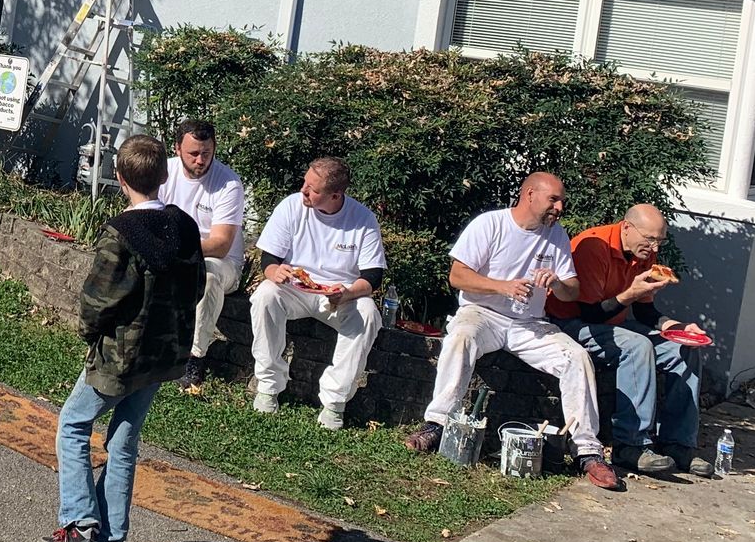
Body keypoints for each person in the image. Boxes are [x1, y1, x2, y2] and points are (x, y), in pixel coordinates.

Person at [38, 134, 205, 542]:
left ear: (119, 177)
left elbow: (99, 300)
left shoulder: (121, 234)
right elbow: (198, 288)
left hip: (120, 355)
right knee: (123, 443)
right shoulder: (185, 227)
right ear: (165, 175)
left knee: (73, 425)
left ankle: (79, 528)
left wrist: (90, 334)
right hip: (162, 355)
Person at [406, 173, 619, 490]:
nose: (560, 207)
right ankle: (436, 424)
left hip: (529, 324)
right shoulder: (490, 224)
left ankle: (587, 451)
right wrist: (502, 287)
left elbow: (572, 291)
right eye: (554, 200)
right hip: (482, 313)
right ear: (529, 194)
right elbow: (457, 276)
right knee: (461, 337)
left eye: (562, 201)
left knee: (577, 357)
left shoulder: (556, 235)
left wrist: (557, 283)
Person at [547, 204, 712, 477]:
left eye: (660, 241)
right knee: (637, 346)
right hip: (571, 323)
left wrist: (677, 328)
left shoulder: (643, 252)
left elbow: (645, 312)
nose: (654, 248)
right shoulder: (594, 247)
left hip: (613, 323)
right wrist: (630, 293)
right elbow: (590, 313)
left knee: (684, 349)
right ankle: (630, 445)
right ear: (626, 227)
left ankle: (678, 443)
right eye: (649, 239)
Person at [248, 157, 387, 429]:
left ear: (336, 195)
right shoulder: (291, 206)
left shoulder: (363, 219)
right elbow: (269, 258)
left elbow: (373, 276)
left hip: (339, 295)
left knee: (368, 313)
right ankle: (268, 386)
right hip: (295, 288)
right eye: (305, 182)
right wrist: (275, 272)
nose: (304, 190)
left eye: (312, 189)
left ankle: (334, 403)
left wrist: (348, 293)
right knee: (265, 295)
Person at [156, 119, 246, 393]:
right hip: (176, 254)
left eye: (207, 153)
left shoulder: (228, 184)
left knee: (206, 274)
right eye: (193, 153)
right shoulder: (164, 172)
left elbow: (220, 244)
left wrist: (175, 250)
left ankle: (194, 358)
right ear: (177, 149)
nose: (200, 160)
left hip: (222, 263)